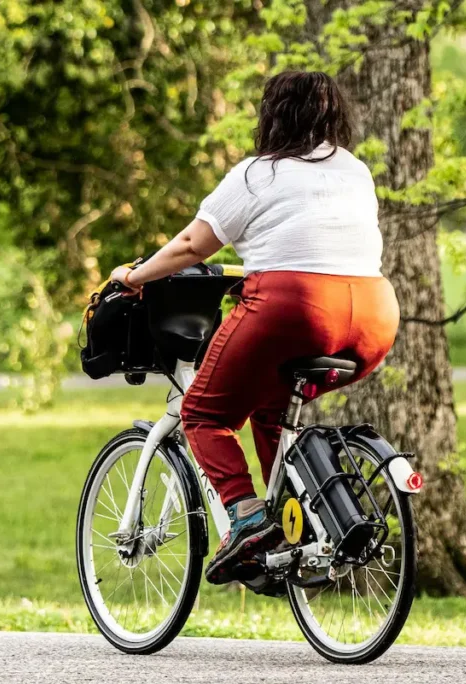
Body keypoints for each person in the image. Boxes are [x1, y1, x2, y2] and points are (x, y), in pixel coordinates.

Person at [108, 70, 400, 584]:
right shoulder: (355, 170)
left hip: (296, 308)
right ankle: (301, 528)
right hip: (375, 314)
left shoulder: (256, 175)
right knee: (272, 411)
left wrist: (134, 275)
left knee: (201, 412)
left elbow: (191, 247)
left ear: (272, 115)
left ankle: (245, 519)